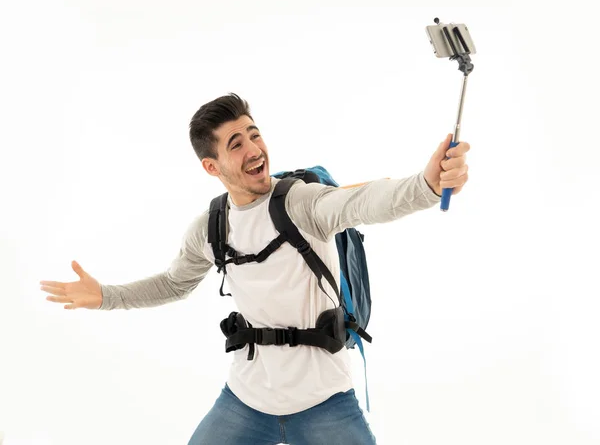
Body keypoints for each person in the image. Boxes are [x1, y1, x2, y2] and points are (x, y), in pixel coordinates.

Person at [39, 93, 470, 444]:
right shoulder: (210, 227)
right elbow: (174, 284)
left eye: (254, 134)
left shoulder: (302, 202)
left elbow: (365, 202)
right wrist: (105, 297)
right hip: (245, 403)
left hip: (326, 404)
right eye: (236, 144)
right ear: (212, 167)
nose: (254, 149)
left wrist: (428, 184)